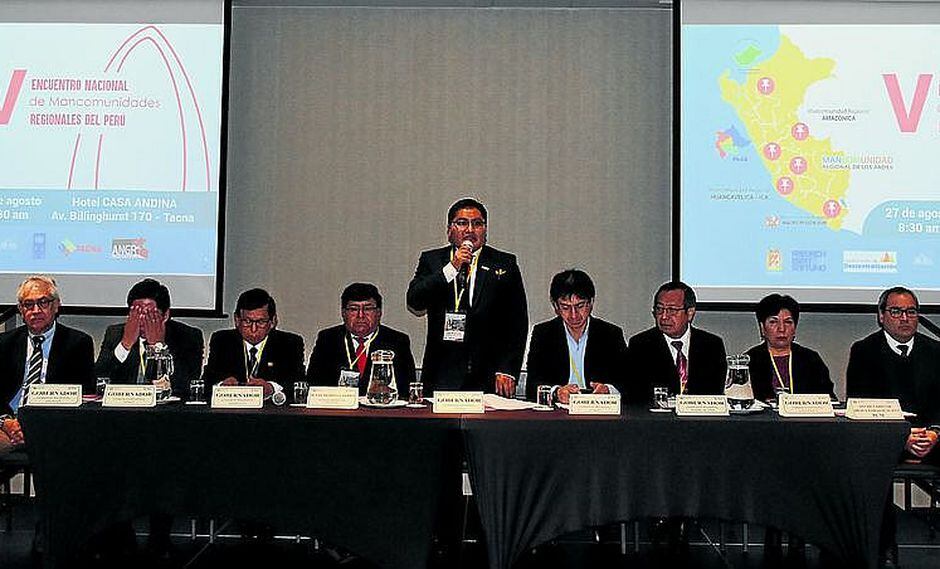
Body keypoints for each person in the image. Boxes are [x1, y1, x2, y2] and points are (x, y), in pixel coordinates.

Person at [846, 286, 940, 568]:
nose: (905, 318)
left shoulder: (935, 351)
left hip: (932, 437)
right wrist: (902, 437)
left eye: (911, 312)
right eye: (896, 311)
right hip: (886, 438)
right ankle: (883, 548)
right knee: (871, 461)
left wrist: (934, 432)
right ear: (881, 316)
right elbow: (860, 405)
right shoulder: (864, 351)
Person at [407, 198, 528, 395]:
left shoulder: (504, 263)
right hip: (441, 374)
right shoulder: (432, 260)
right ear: (449, 230)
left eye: (477, 224)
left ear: (485, 230)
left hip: (490, 376)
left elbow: (517, 322)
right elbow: (415, 301)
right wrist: (452, 267)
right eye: (462, 223)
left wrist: (508, 369)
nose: (470, 230)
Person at [0, 275, 95, 449]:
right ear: (20, 310)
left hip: (53, 424)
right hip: (9, 425)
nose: (35, 310)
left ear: (56, 305)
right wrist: (6, 422)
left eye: (43, 302)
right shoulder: (4, 343)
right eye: (28, 304)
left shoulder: (78, 343)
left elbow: (85, 395)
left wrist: (39, 424)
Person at [525, 269, 627, 403]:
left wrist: (608, 390)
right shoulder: (543, 334)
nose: (574, 315)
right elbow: (532, 386)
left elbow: (628, 382)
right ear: (556, 306)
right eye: (565, 307)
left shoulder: (610, 334)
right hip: (558, 411)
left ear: (591, 302)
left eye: (580, 306)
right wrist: (556, 392)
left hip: (599, 410)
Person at [95, 278, 204, 398]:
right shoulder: (115, 333)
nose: (142, 320)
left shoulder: (188, 336)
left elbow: (187, 385)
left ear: (165, 315)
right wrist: (125, 345)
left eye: (149, 314)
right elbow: (98, 380)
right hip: (125, 405)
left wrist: (158, 347)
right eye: (137, 313)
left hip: (168, 408)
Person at [308, 283, 416, 396]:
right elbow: (314, 384)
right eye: (353, 309)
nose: (361, 315)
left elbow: (406, 389)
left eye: (368, 308)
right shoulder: (328, 339)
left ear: (379, 313)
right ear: (343, 313)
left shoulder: (397, 342)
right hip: (337, 406)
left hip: (380, 406)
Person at [627, 281, 727, 403]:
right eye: (659, 309)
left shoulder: (712, 346)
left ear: (690, 313)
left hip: (700, 414)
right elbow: (636, 396)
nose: (664, 317)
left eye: (672, 310)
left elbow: (715, 393)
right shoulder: (640, 345)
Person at [203, 288, 305, 400]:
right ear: (237, 320)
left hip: (271, 410)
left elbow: (299, 384)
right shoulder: (222, 341)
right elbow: (206, 383)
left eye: (261, 322)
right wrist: (220, 386)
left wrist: (272, 388)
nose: (253, 329)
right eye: (247, 321)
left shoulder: (290, 344)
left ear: (273, 321)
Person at [745, 293, 834, 403]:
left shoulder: (810, 359)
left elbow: (828, 399)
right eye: (773, 322)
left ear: (795, 327)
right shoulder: (750, 360)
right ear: (762, 328)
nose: (781, 329)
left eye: (788, 322)